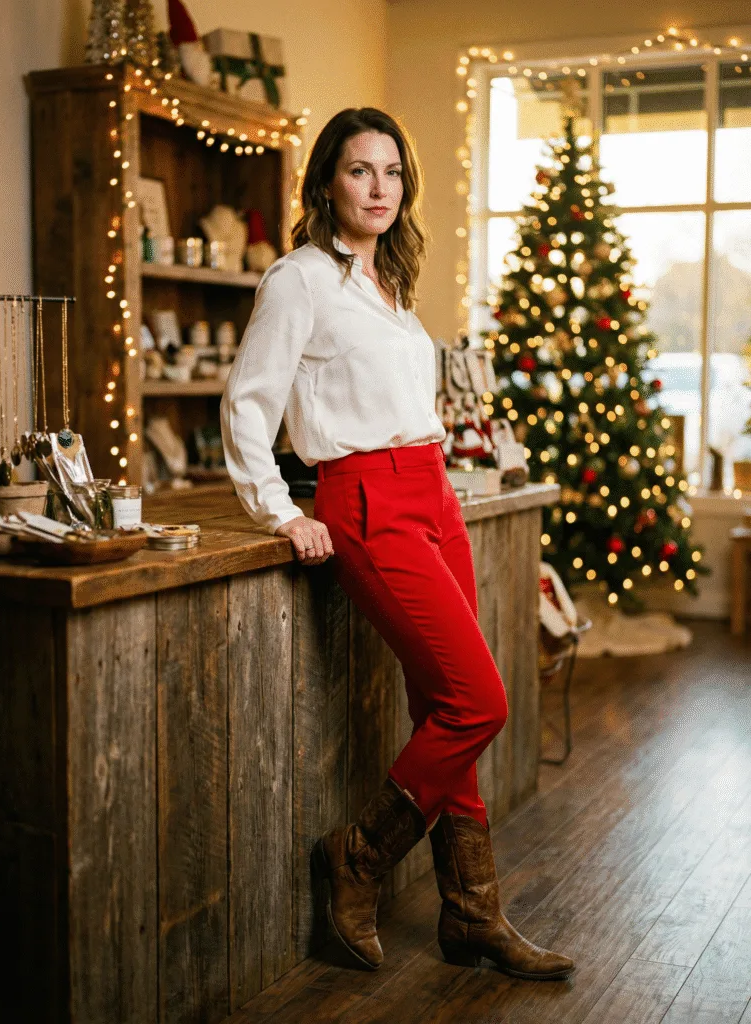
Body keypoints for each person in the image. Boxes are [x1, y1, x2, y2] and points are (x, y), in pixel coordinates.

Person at [220, 107, 574, 982]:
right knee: (477, 702)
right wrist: (278, 510)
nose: (378, 188)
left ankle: (471, 914)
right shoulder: (299, 279)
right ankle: (357, 858)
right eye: (358, 171)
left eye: (391, 173)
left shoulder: (389, 287)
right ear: (326, 183)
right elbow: (248, 402)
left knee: (440, 710)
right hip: (367, 498)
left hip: (433, 495)